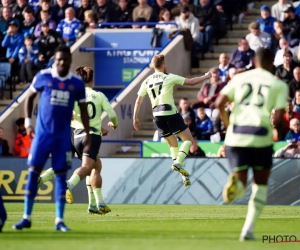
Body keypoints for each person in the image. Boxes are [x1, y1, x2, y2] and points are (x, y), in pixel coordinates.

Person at [13, 45, 91, 232]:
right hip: (41, 136)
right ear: (54, 60)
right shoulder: (44, 76)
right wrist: (28, 122)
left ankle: (59, 220)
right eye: (59, 59)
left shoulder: (77, 83)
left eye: (65, 59)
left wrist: (88, 132)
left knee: (61, 176)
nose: (62, 62)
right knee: (33, 173)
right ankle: (26, 217)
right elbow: (29, 98)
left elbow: (83, 111)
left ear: (70, 61)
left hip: (63, 138)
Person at [215, 47, 288, 241]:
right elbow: (280, 117)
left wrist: (228, 124)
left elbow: (219, 103)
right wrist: (277, 132)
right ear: (272, 64)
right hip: (260, 136)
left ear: (254, 61)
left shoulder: (239, 78)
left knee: (241, 183)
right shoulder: (278, 84)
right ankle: (247, 230)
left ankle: (237, 184)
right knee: (260, 185)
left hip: (236, 136)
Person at [38, 66, 118, 215]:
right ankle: (69, 185)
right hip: (89, 136)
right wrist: (113, 123)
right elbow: (111, 113)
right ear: (92, 79)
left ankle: (94, 204)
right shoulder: (98, 95)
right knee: (89, 167)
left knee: (95, 165)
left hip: (72, 133)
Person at [133, 54, 212, 186]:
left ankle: (183, 176)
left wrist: (135, 118)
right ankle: (178, 162)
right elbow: (191, 82)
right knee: (188, 140)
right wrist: (206, 76)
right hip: (169, 112)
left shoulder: (147, 81)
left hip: (157, 116)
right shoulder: (168, 77)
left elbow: (138, 100)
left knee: (173, 145)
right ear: (163, 65)